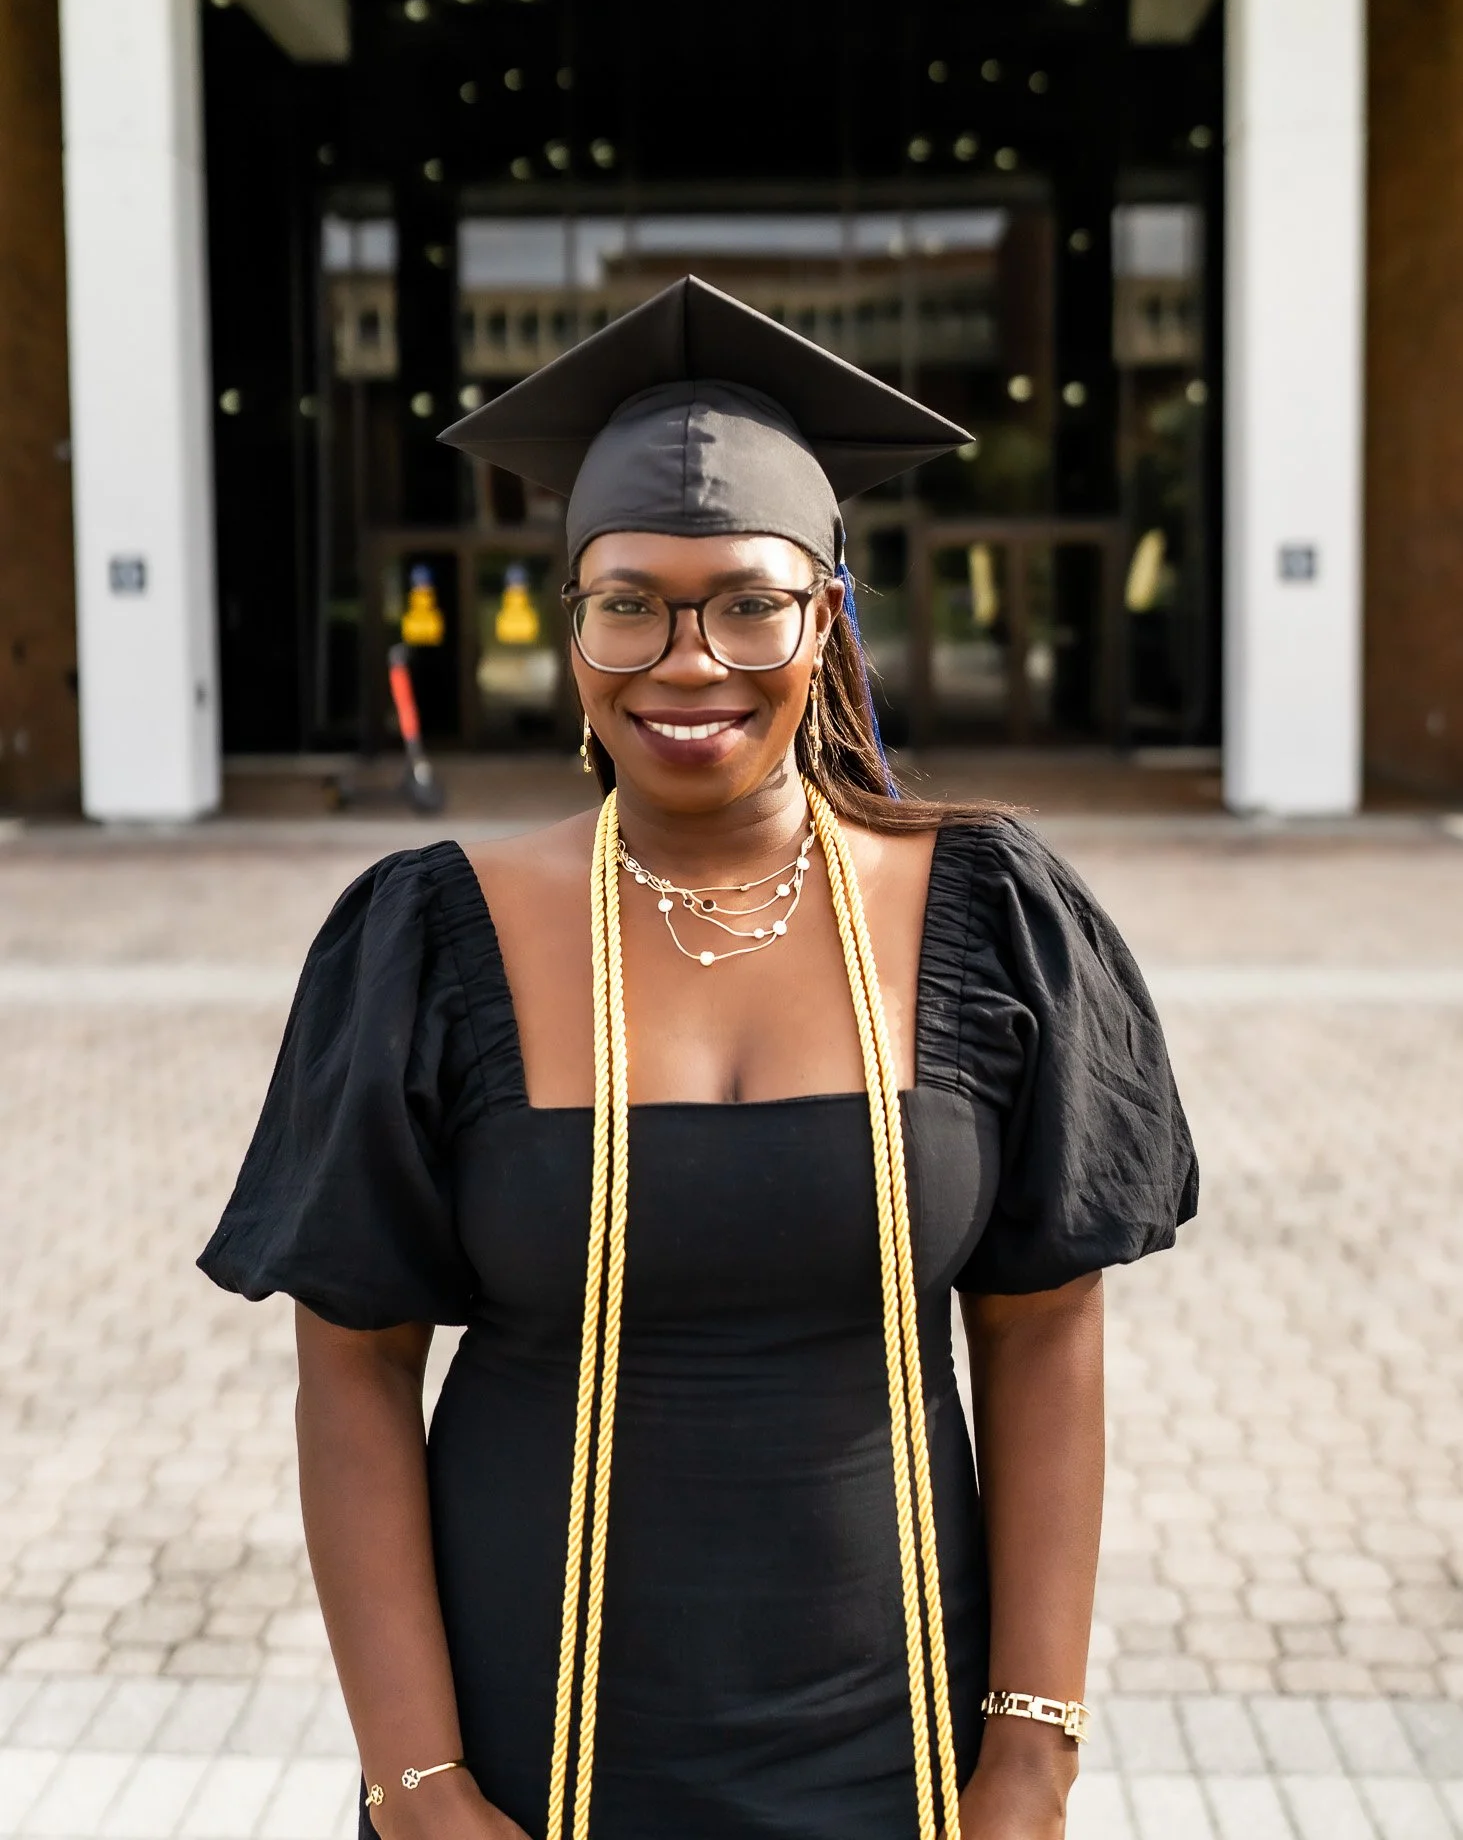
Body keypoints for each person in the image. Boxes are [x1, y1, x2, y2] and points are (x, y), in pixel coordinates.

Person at [201, 277, 1197, 1840]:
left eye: (745, 601)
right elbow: (353, 1365)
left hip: (902, 1749)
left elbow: (1040, 1331)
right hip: (532, 1752)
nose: (688, 660)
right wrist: (419, 1787)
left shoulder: (987, 914)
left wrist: (1029, 1754)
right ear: (572, 620)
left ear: (824, 619)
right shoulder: (429, 938)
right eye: (629, 603)